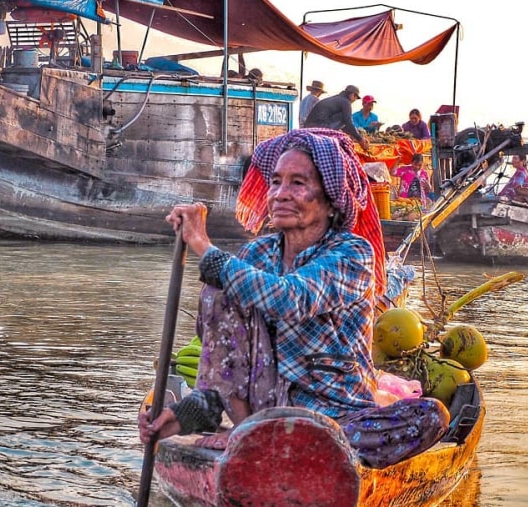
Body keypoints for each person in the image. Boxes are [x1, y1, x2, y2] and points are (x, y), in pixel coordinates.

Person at [138, 128, 449, 469]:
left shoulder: (352, 253)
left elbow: (291, 298)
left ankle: (292, 444)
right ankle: (255, 433)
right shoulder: (256, 255)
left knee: (431, 415)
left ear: (330, 200)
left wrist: (202, 245)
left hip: (336, 418)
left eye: (298, 184)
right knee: (219, 290)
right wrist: (181, 417)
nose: (280, 194)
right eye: (275, 183)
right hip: (263, 413)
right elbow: (226, 366)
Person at [303, 85, 370, 151]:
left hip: (310, 126)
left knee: (347, 124)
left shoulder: (337, 99)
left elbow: (344, 125)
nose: (354, 100)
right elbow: (348, 122)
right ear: (352, 95)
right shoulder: (345, 102)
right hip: (318, 127)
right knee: (344, 117)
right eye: (355, 98)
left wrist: (354, 134)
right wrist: (360, 140)